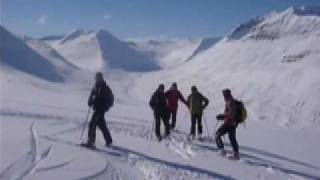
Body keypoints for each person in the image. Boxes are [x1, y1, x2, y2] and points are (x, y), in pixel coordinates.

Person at [81, 72, 114, 148]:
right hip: (96, 109)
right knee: (102, 125)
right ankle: (109, 141)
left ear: (101, 78)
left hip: (100, 110)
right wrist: (90, 102)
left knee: (92, 124)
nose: (97, 79)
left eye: (99, 78)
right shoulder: (95, 87)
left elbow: (110, 100)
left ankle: (91, 142)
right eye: (96, 78)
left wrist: (104, 107)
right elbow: (91, 97)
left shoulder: (105, 88)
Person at [215, 89, 240, 160]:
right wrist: (223, 116)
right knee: (232, 139)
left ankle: (221, 151)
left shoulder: (230, 102)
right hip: (233, 123)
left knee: (217, 135)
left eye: (224, 95)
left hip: (229, 123)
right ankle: (236, 155)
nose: (223, 96)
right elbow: (230, 113)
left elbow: (231, 114)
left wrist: (222, 117)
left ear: (226, 95)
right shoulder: (230, 101)